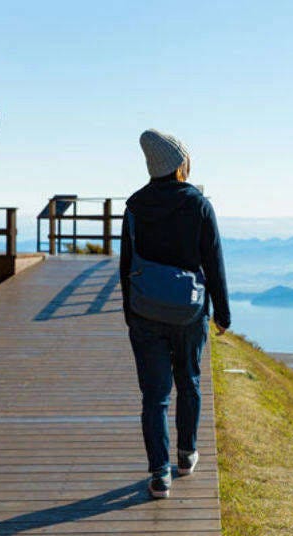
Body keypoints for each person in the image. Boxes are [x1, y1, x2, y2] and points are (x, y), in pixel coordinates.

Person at [119, 129, 230, 499]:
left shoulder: (135, 205)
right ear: (180, 164)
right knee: (189, 382)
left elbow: (125, 264)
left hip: (145, 311)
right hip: (189, 311)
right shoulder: (198, 204)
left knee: (154, 395)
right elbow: (213, 262)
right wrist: (223, 314)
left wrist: (129, 312)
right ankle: (185, 456)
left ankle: (158, 475)